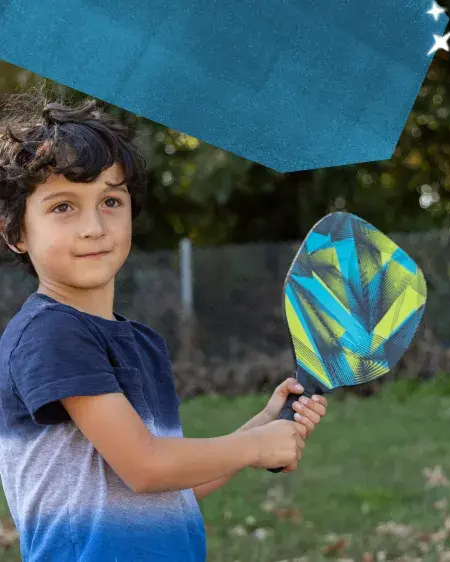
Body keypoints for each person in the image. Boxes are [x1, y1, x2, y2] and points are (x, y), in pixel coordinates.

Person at [0, 86, 327, 561]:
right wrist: (255, 447)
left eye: (111, 201)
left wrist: (260, 427)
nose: (94, 226)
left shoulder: (141, 343)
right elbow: (145, 467)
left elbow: (168, 492)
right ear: (15, 233)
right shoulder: (50, 335)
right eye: (63, 207)